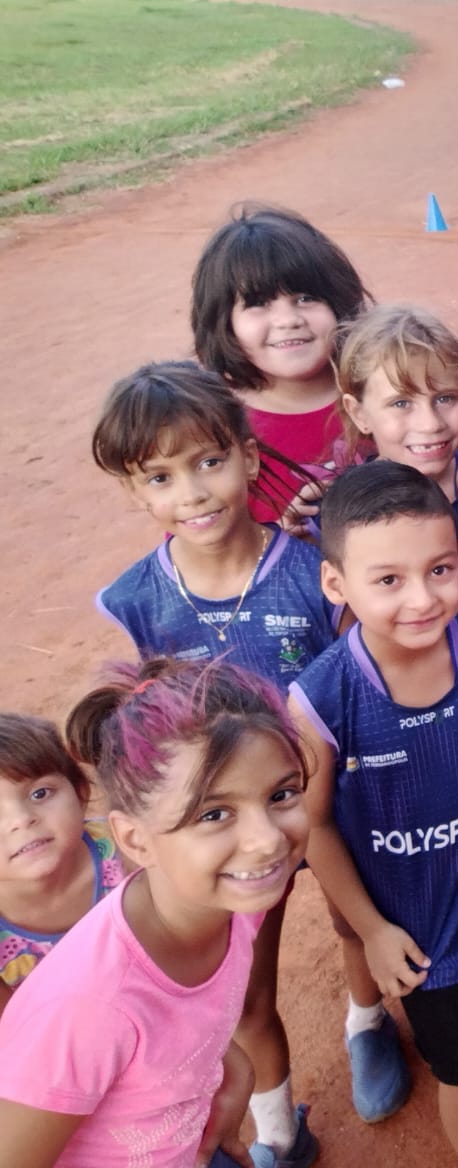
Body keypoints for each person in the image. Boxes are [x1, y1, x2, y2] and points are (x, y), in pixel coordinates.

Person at [90, 360, 384, 1164]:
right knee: (247, 988)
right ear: (135, 490)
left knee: (352, 920)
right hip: (231, 834)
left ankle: (367, 1022)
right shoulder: (134, 602)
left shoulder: (314, 574)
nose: (192, 493)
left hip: (331, 801)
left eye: (209, 462)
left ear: (249, 458)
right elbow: (138, 738)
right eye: (161, 476)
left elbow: (355, 687)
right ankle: (280, 1133)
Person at [289, 462, 458, 1168]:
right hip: (418, 929)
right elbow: (313, 827)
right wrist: (371, 931)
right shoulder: (322, 698)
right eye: (388, 580)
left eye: (440, 569)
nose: (421, 599)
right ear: (336, 585)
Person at [0, 658, 311, 1168]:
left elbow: (189, 1021)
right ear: (134, 839)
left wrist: (233, 1074)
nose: (267, 841)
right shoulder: (86, 1007)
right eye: (213, 814)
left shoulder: (235, 901)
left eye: (281, 794)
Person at [190, 204, 370, 521]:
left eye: (305, 298)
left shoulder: (381, 388)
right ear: (223, 321)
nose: (288, 320)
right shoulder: (214, 425)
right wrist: (282, 545)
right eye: (257, 303)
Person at [334, 303, 458, 624]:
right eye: (401, 403)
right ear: (359, 413)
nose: (430, 423)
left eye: (445, 398)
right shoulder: (342, 513)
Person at [0, 713, 125, 1021]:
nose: (21, 820)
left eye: (40, 793)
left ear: (80, 791)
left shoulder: (127, 847)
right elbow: (13, 1041)